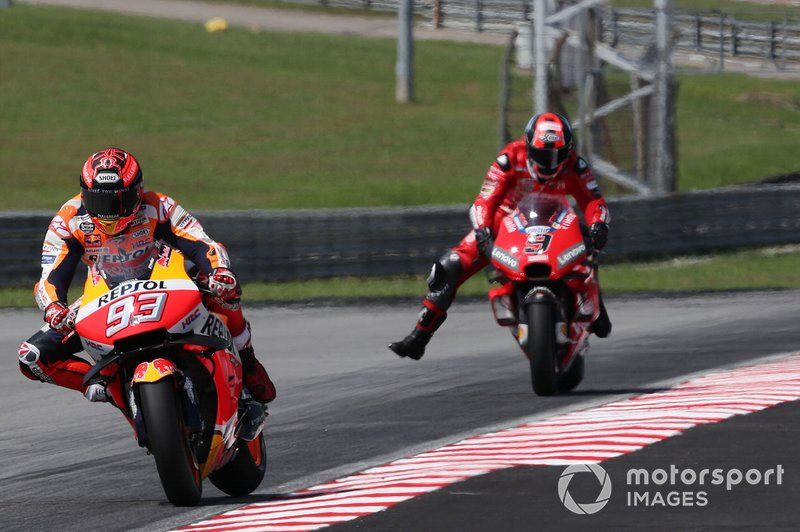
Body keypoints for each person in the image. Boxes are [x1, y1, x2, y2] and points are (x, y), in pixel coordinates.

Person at [18, 147, 276, 404]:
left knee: (224, 287)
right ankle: (107, 386)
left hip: (167, 279)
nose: (109, 211)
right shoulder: (68, 220)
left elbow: (202, 243)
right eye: (99, 201)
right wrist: (54, 307)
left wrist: (219, 270)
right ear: (84, 194)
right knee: (32, 355)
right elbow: (50, 276)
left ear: (137, 192)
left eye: (118, 201)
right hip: (105, 293)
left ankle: (248, 359)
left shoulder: (159, 205)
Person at [389, 112, 612, 360]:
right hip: (506, 224)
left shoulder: (575, 166)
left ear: (567, 150)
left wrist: (598, 225)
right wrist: (483, 232)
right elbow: (485, 200)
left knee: (588, 241)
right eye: (542, 154)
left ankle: (595, 303)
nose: (550, 161)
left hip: (556, 224)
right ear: (528, 147)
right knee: (449, 266)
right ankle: (419, 337)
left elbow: (594, 202)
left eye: (557, 154)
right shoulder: (509, 159)